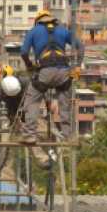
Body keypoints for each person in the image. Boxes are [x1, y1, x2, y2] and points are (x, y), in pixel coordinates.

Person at [20, 10, 84, 144]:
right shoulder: (62, 30)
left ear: (38, 20)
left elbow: (24, 52)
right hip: (63, 72)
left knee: (32, 100)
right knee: (64, 103)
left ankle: (30, 135)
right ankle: (68, 136)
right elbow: (81, 46)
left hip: (45, 72)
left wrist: (30, 65)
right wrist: (77, 66)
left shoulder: (33, 31)